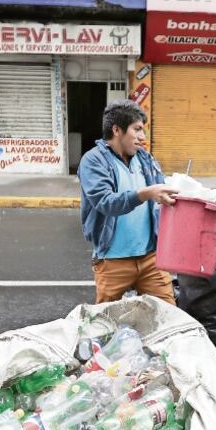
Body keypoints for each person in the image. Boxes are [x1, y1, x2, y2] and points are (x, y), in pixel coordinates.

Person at [78, 99, 179, 305]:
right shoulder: (93, 161)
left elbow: (161, 194)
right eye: (137, 129)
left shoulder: (145, 159)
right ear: (117, 129)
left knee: (168, 314)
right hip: (112, 261)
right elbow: (106, 202)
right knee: (105, 321)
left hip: (151, 259)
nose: (142, 137)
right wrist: (146, 193)